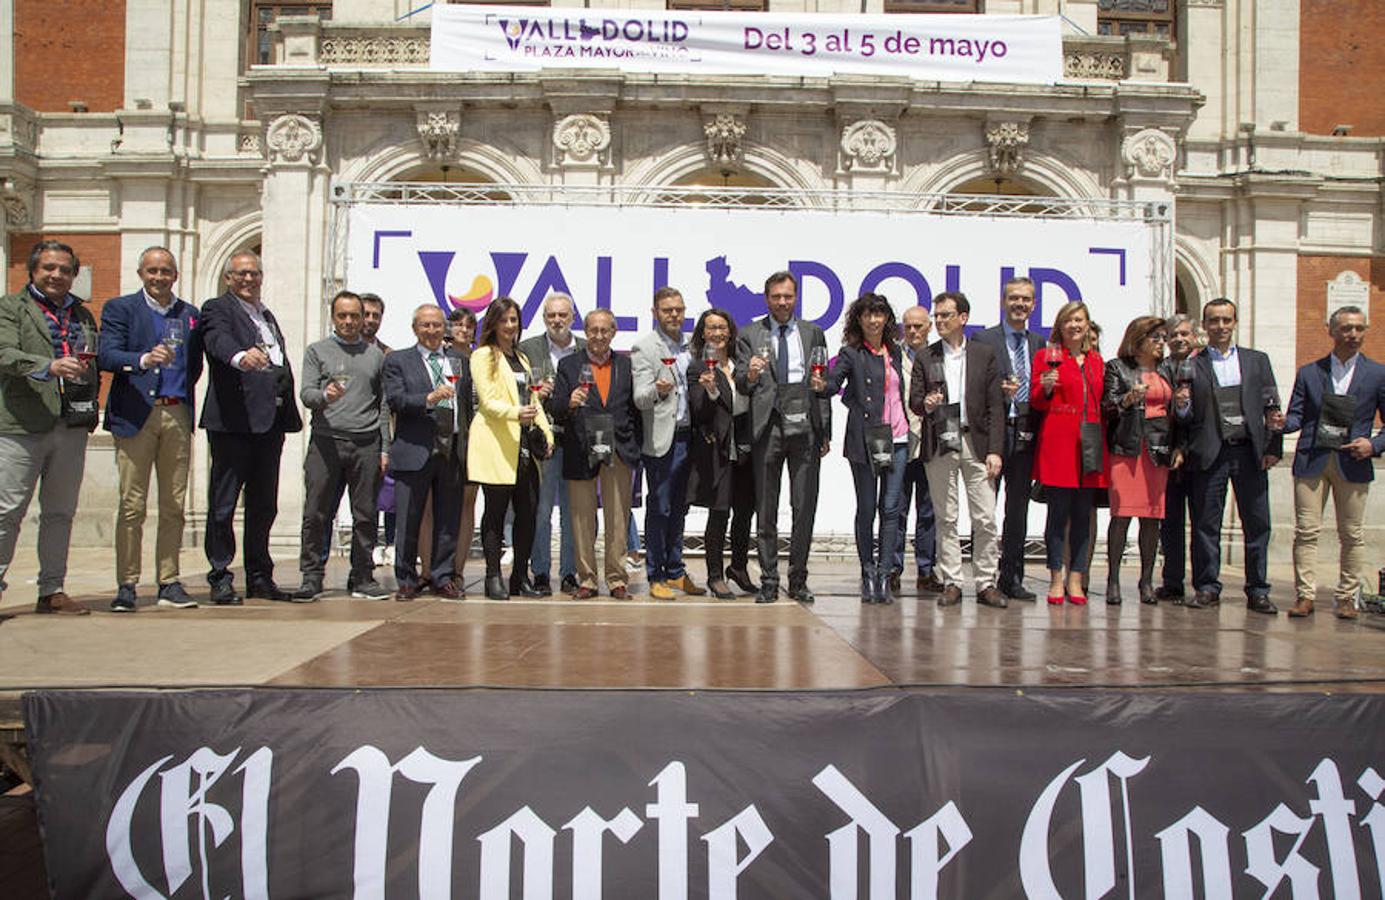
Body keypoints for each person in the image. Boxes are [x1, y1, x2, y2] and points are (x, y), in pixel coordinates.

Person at [98, 246, 202, 612]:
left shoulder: (189, 314)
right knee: (132, 505)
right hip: (136, 414)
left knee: (174, 504)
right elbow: (106, 354)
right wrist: (142, 360)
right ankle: (127, 583)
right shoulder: (120, 309)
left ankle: (169, 580)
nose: (159, 277)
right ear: (141, 273)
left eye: (166, 271)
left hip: (176, 413)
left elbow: (195, 365)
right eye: (153, 271)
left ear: (175, 275)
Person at [0, 240, 100, 615]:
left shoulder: (82, 315)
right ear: (33, 271)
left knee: (60, 511)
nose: (57, 275)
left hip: (70, 423)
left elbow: (91, 359)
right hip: (21, 424)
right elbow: (4, 353)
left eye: (64, 270)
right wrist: (47, 366)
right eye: (49, 268)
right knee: (7, 510)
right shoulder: (11, 307)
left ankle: (52, 589)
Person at [198, 250, 303, 604]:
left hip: (269, 423)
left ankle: (260, 576)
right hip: (233, 421)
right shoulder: (217, 308)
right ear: (228, 278)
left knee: (264, 505)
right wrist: (240, 357)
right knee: (224, 504)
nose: (248, 280)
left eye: (254, 274)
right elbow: (217, 341)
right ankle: (220, 575)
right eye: (241, 274)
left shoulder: (266, 315)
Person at [1174, 297, 1284, 614]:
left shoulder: (1257, 361)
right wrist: (1181, 404)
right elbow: (1183, 416)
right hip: (1211, 453)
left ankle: (1258, 590)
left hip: (1249, 452)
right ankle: (1207, 587)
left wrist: (1273, 448)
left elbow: (1271, 406)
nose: (1220, 326)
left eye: (1226, 320)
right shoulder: (1192, 365)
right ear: (1204, 325)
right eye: (1213, 321)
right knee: (1206, 524)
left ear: (1234, 323)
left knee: (1257, 522)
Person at [734, 271, 832, 605]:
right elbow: (742, 384)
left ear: (796, 297)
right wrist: (749, 374)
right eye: (776, 296)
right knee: (766, 508)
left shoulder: (812, 333)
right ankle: (769, 580)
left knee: (804, 506)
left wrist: (825, 430)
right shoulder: (750, 334)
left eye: (788, 296)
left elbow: (823, 386)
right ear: (767, 298)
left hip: (804, 426)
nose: (782, 302)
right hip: (768, 427)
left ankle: (799, 578)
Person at [1284, 306, 1385, 619]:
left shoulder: (1378, 374)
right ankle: (1305, 595)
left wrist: (1374, 444)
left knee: (1352, 534)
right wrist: (1277, 422)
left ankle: (1346, 596)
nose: (1353, 335)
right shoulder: (1310, 372)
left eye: (1358, 328)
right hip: (1312, 459)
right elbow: (1296, 417)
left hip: (1353, 460)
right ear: (1331, 331)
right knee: (1306, 531)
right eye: (1346, 328)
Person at [907, 291, 1006, 609]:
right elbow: (915, 402)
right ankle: (951, 580)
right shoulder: (926, 356)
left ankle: (986, 581)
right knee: (946, 517)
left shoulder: (984, 354)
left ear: (963, 318)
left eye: (945, 315)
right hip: (940, 441)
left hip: (975, 442)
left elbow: (995, 406)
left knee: (985, 517)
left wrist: (995, 449)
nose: (939, 321)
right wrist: (926, 403)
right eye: (936, 316)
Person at [293, 291, 391, 601]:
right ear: (333, 317)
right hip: (326, 441)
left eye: (354, 316)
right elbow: (306, 393)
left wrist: (384, 447)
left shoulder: (376, 356)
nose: (349, 322)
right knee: (317, 512)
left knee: (365, 515)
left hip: (366, 443)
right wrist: (325, 396)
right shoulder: (317, 351)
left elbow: (384, 405)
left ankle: (362, 575)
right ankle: (311, 576)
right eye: (342, 316)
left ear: (363, 318)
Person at [819, 294, 911, 603]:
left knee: (891, 509)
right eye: (868, 315)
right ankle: (867, 570)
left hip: (896, 439)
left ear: (887, 319)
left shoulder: (896, 352)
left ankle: (885, 574)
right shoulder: (851, 353)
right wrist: (821, 384)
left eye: (879, 315)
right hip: (864, 441)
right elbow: (834, 384)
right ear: (859, 320)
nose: (874, 320)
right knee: (867, 508)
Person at [468, 296, 554, 600]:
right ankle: (493, 576)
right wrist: (516, 413)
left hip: (525, 449)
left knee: (528, 513)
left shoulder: (522, 357)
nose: (509, 326)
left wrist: (545, 431)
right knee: (494, 513)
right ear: (492, 323)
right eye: (503, 320)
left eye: (513, 320)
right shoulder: (483, 356)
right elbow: (488, 402)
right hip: (496, 444)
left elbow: (533, 400)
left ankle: (520, 576)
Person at [383, 304, 469, 600]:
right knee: (408, 518)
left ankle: (442, 576)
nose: (432, 331)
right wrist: (429, 398)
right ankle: (407, 578)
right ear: (415, 328)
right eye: (425, 325)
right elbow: (395, 399)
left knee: (448, 518)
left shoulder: (459, 360)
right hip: (415, 448)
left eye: (437, 325)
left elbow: (468, 402)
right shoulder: (398, 360)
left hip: (451, 449)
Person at [552, 309, 639, 599]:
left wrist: (633, 446)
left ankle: (617, 579)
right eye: (593, 330)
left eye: (605, 330)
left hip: (619, 449)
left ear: (613, 332)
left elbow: (636, 410)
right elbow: (555, 407)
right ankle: (587, 579)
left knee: (618, 518)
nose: (599, 336)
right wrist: (570, 403)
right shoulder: (568, 364)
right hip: (580, 448)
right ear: (585, 332)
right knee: (581, 517)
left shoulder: (627, 365)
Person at [1030, 301, 1107, 606]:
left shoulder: (1097, 361)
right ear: (1060, 326)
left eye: (1080, 320)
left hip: (1089, 443)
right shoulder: (1047, 357)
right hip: (1058, 442)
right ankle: (1056, 578)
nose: (1075, 325)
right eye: (1069, 321)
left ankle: (1077, 577)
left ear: (1088, 325)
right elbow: (1037, 401)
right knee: (1058, 515)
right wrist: (1046, 387)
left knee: (1083, 516)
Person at [973, 276, 1045, 601]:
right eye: (1014, 298)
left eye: (1026, 299)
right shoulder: (983, 339)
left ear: (1033, 304)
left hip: (1026, 435)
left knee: (1018, 510)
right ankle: (984, 579)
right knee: (986, 512)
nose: (1020, 304)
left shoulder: (1041, 345)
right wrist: (999, 394)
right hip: (993, 437)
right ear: (1004, 302)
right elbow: (974, 390)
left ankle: (1011, 577)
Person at [633, 287, 705, 600]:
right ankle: (655, 574)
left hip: (690, 437)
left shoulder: (693, 346)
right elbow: (639, 397)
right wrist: (659, 390)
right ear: (655, 313)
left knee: (680, 508)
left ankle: (676, 570)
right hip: (662, 440)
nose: (673, 315)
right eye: (667, 310)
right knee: (659, 508)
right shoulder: (644, 347)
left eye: (678, 309)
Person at [1101, 316, 1176, 606]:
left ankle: (1146, 581)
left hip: (1157, 450)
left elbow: (1178, 415)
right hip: (1128, 448)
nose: (1160, 343)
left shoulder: (1168, 369)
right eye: (1155, 338)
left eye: (1162, 338)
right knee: (1121, 516)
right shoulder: (1118, 368)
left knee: (1152, 518)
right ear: (1139, 339)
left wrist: (1178, 446)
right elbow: (1106, 407)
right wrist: (1127, 399)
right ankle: (1113, 580)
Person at [686, 308, 757, 600]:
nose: (717, 333)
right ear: (703, 333)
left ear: (730, 331)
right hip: (718, 448)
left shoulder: (742, 363)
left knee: (745, 511)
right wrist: (712, 391)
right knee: (719, 512)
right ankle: (715, 575)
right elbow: (699, 411)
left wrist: (752, 378)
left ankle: (738, 567)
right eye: (711, 328)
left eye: (722, 327)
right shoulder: (698, 367)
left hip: (747, 446)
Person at [517, 293, 584, 596]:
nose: (557, 321)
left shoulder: (584, 348)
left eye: (562, 315)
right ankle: (540, 571)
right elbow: (516, 393)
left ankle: (569, 572)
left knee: (573, 512)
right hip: (542, 441)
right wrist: (538, 395)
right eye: (550, 316)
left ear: (572, 317)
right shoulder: (527, 349)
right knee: (540, 511)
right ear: (544, 318)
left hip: (577, 441)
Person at [1155, 314, 1201, 603]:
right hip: (1166, 454)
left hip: (1197, 453)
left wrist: (1184, 447)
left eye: (1185, 334)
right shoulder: (1161, 368)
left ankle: (1204, 583)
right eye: (1174, 335)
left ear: (1194, 336)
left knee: (1201, 523)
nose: (1179, 339)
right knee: (1169, 522)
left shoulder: (1204, 366)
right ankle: (1172, 581)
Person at [894, 305, 939, 594]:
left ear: (929, 327)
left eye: (918, 326)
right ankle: (893, 568)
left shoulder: (940, 357)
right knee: (895, 509)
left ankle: (926, 570)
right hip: (899, 441)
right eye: (908, 326)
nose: (913, 332)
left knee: (929, 510)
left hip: (931, 442)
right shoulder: (892, 356)